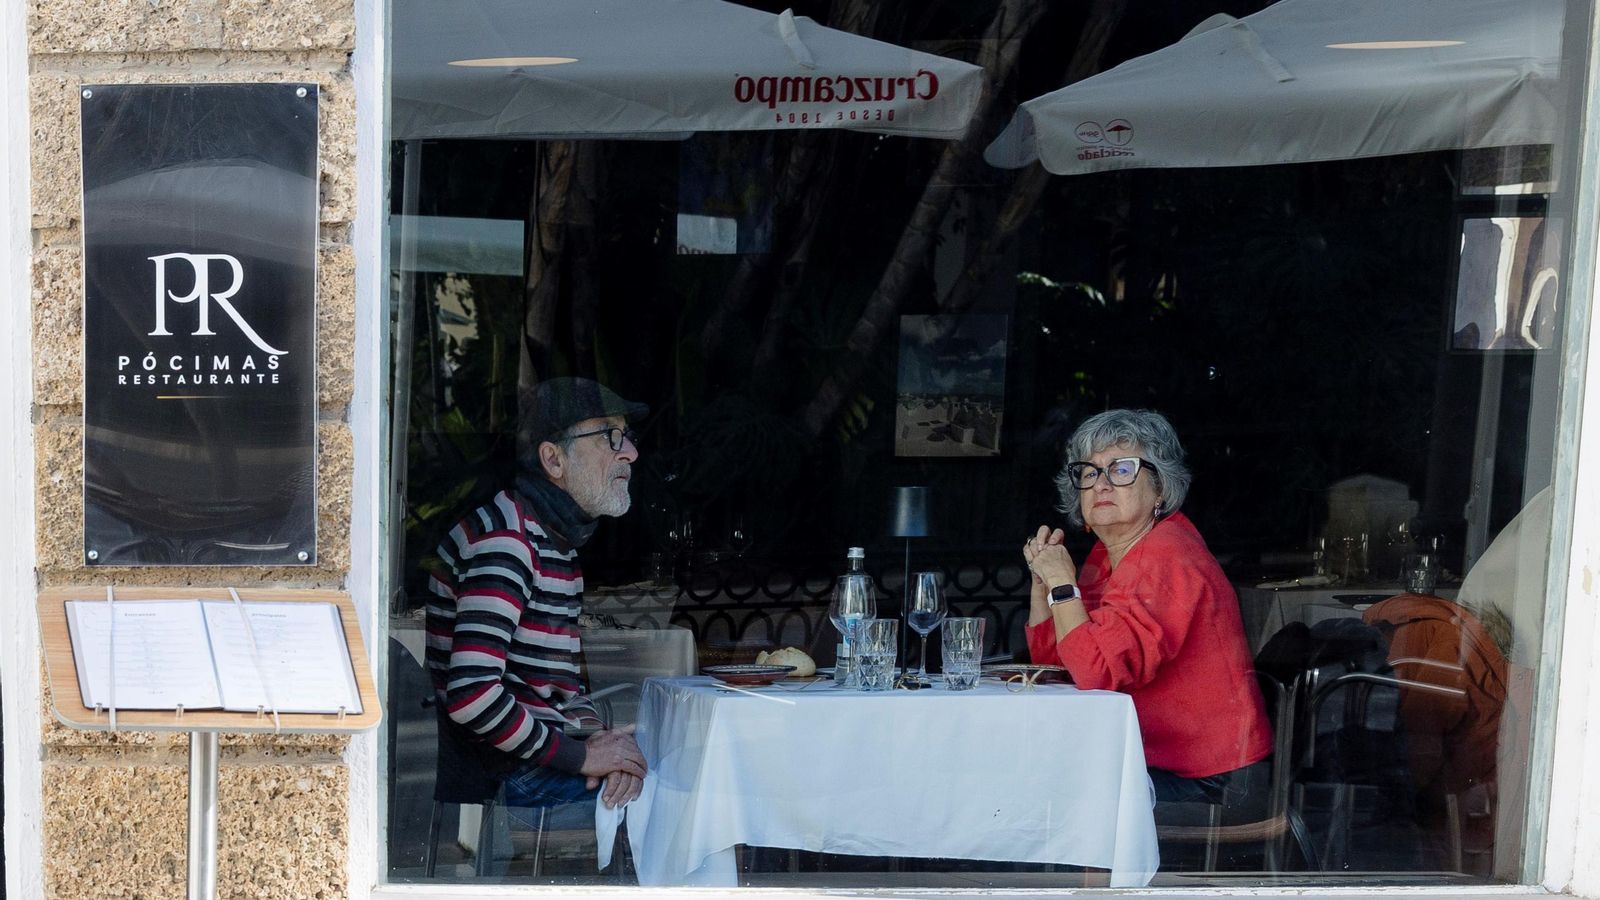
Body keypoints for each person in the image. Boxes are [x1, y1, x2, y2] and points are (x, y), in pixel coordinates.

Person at [1022, 408, 1272, 809]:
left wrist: (1064, 585)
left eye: (1121, 470)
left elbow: (1096, 672)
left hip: (1212, 781)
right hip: (1155, 764)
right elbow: (1062, 664)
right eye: (1089, 472)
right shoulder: (1107, 556)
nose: (1101, 484)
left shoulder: (1166, 555)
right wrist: (1044, 586)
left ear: (1160, 490)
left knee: (1038, 796)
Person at [425, 376, 650, 818]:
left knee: (661, 783)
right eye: (610, 436)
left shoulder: (552, 541)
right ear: (553, 459)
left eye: (627, 437)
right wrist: (584, 758)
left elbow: (561, 688)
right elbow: (472, 695)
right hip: (507, 774)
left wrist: (597, 741)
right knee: (681, 806)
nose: (630, 452)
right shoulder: (508, 543)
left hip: (531, 760)